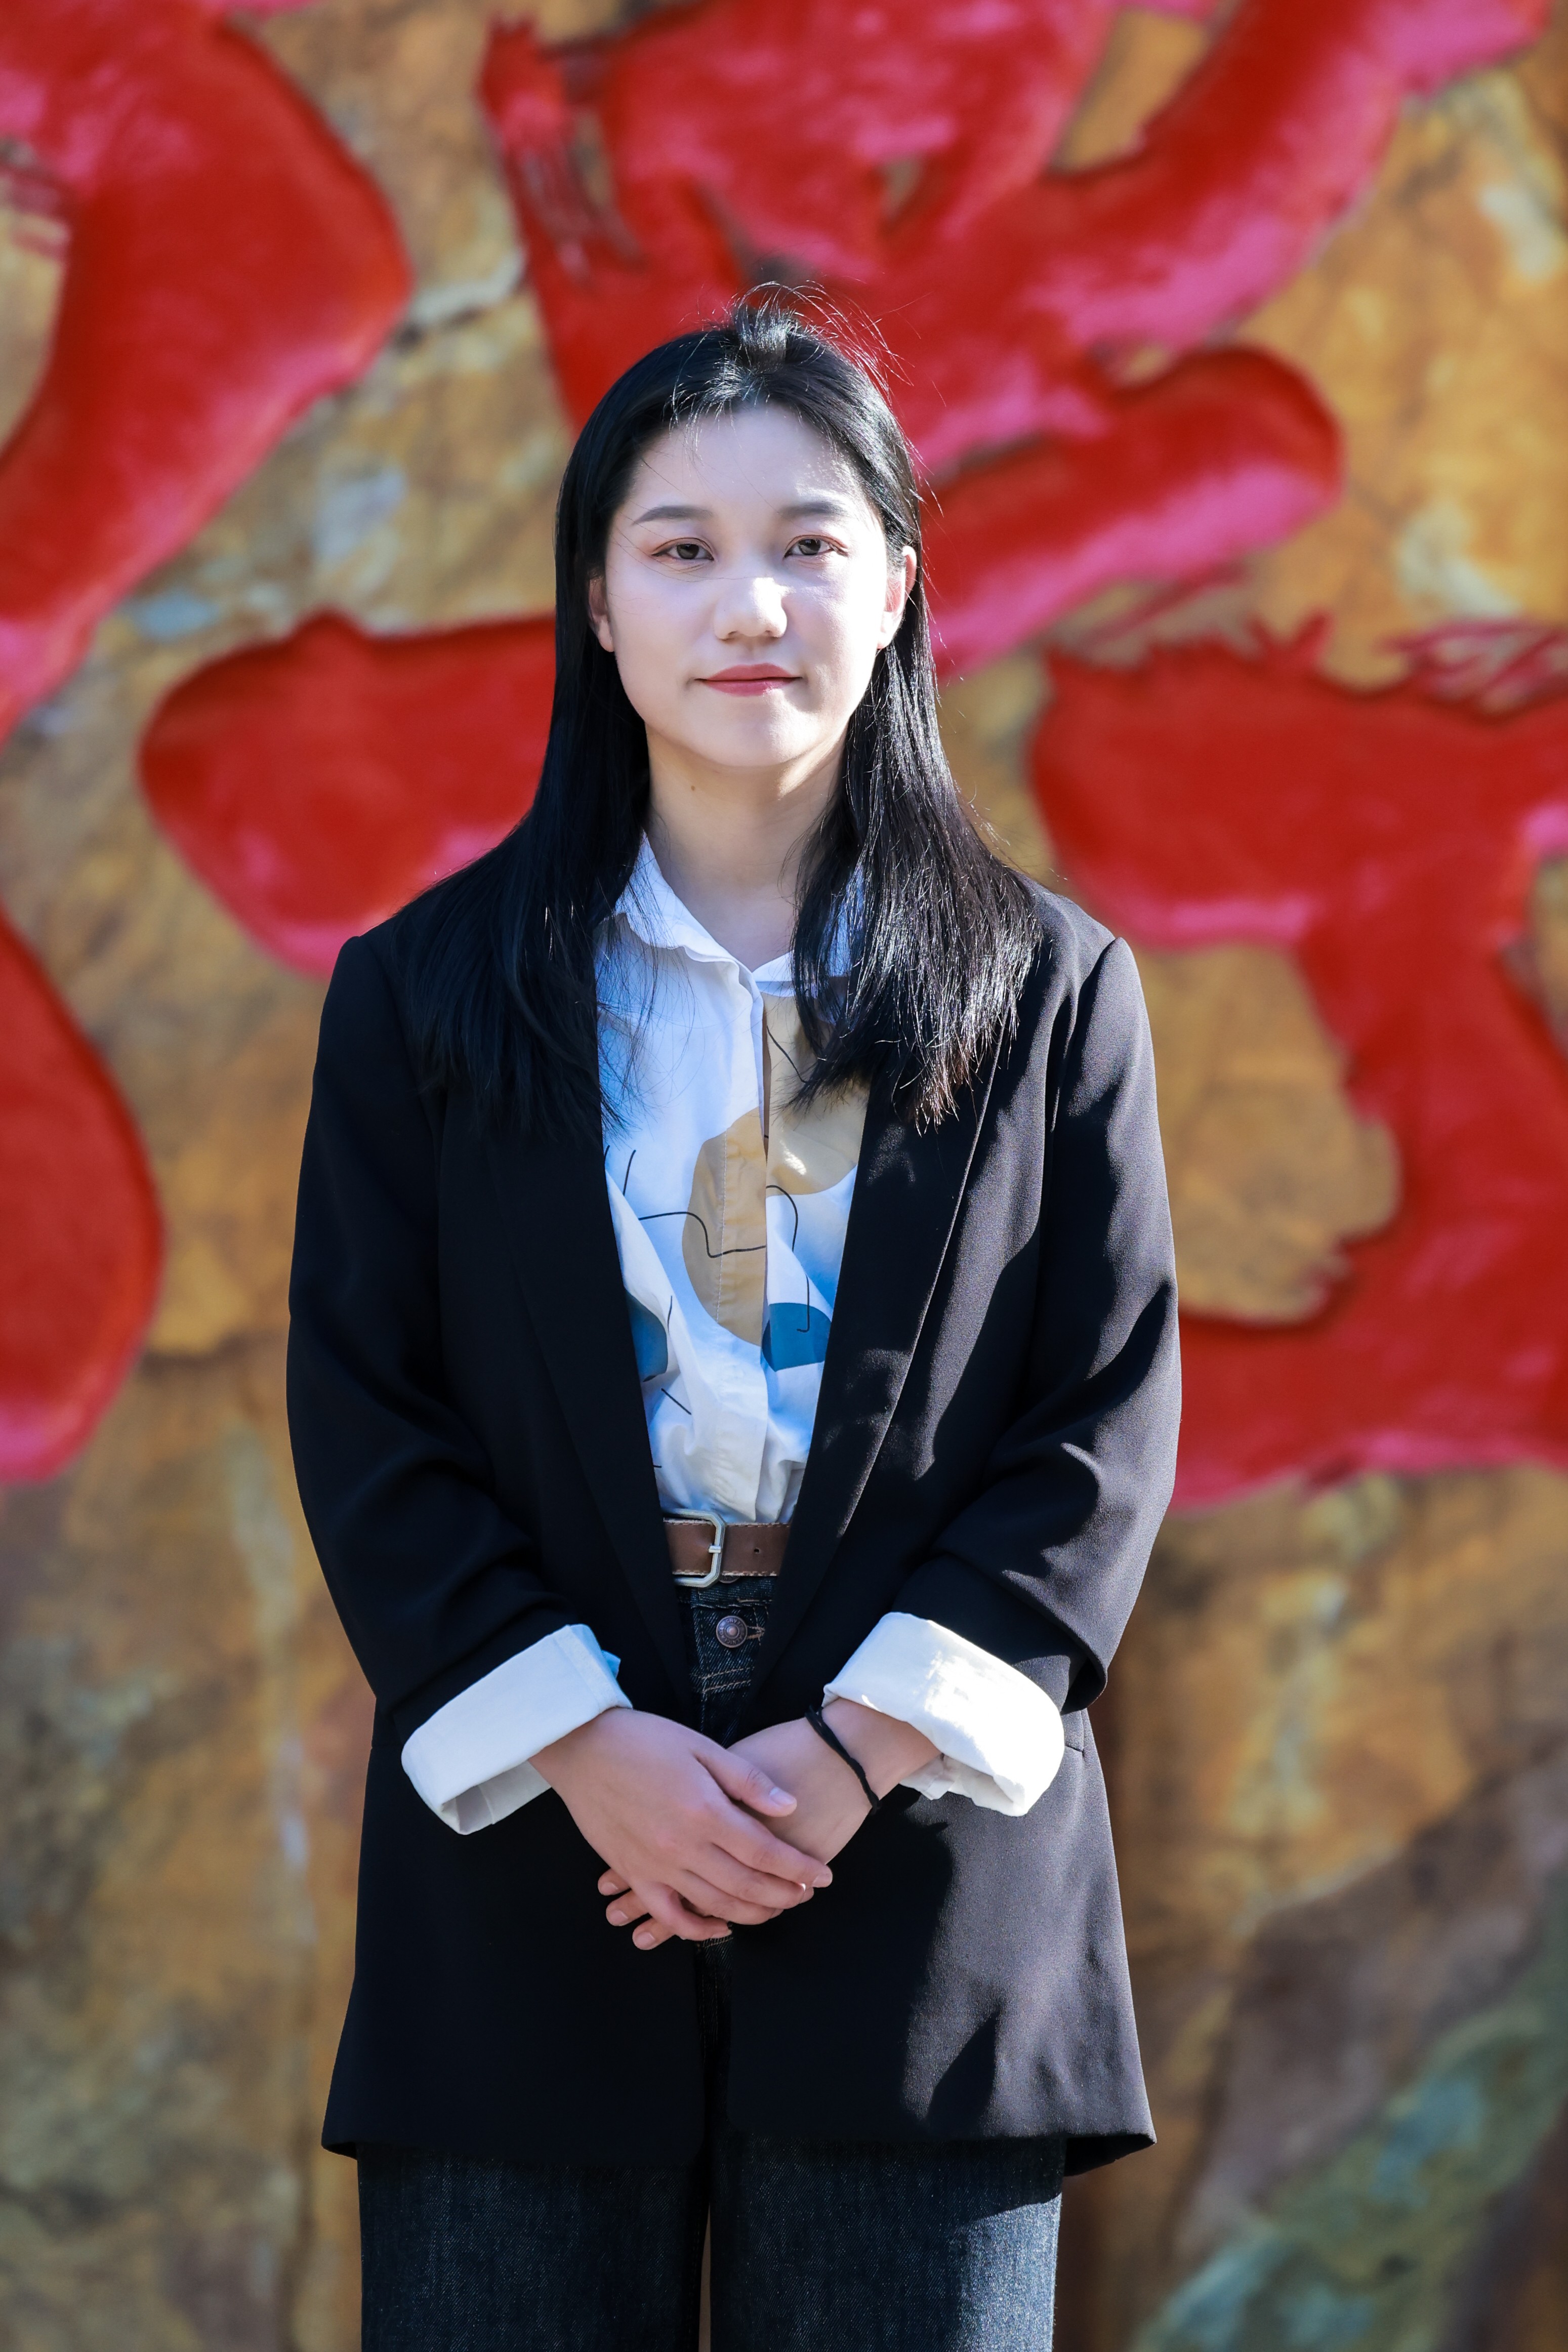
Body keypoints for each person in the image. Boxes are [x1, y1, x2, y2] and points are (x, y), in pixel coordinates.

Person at [287, 293, 1180, 2352]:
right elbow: (369, 1413)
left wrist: (848, 1755)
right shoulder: (429, 995)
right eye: (680, 546)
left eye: (807, 542)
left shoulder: (1048, 994)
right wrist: (589, 1745)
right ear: (596, 604)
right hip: (535, 1859)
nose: (747, 602)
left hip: (923, 1865)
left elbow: (1098, 1426)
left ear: (898, 586)